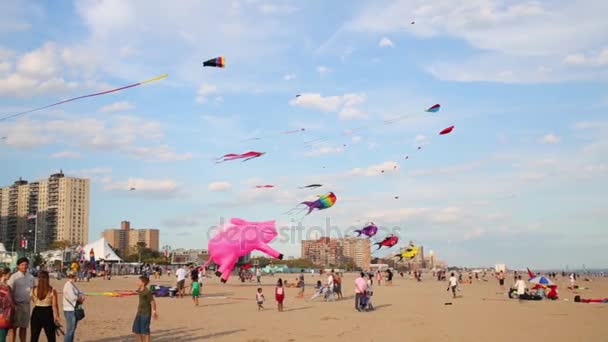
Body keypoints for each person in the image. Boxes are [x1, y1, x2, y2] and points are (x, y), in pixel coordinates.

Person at [7, 257, 35, 342]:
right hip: (16, 305)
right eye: (22, 264)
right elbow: (9, 291)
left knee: (24, 327)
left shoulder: (31, 277)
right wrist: (13, 305)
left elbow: (34, 290)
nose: (24, 266)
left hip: (26, 305)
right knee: (13, 328)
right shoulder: (14, 277)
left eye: (26, 264)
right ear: (18, 266)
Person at [30, 271, 59, 342]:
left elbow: (33, 300)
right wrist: (56, 316)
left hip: (36, 311)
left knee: (34, 336)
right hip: (48, 312)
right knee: (51, 337)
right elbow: (55, 306)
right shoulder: (52, 290)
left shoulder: (33, 289)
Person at [133, 276, 158, 342]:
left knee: (145, 331)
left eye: (139, 281)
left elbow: (153, 302)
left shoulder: (147, 292)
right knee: (136, 330)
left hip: (146, 313)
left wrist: (154, 312)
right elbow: (138, 290)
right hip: (139, 312)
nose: (137, 282)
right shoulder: (140, 289)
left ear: (143, 283)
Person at [63, 271, 84, 342]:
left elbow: (79, 292)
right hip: (70, 310)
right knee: (70, 330)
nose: (76, 277)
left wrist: (81, 295)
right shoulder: (68, 285)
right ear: (73, 276)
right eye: (75, 276)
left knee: (72, 329)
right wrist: (80, 299)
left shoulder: (72, 284)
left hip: (73, 309)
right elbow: (72, 297)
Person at [0, 268, 14, 342]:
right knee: (2, 336)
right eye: (9, 274)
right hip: (2, 313)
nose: (10, 275)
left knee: (4, 334)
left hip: (7, 313)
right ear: (4, 275)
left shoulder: (7, 286)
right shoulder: (2, 286)